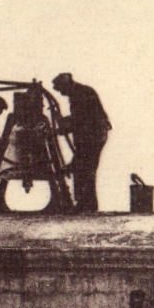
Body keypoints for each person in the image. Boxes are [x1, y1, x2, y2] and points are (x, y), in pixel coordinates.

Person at [51, 70, 111, 212]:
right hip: (90, 134)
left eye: (61, 90)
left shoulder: (80, 94)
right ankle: (87, 204)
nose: (61, 94)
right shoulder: (78, 92)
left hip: (93, 135)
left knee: (84, 167)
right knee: (84, 167)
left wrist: (61, 128)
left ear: (66, 85)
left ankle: (86, 204)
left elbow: (80, 119)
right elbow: (78, 119)